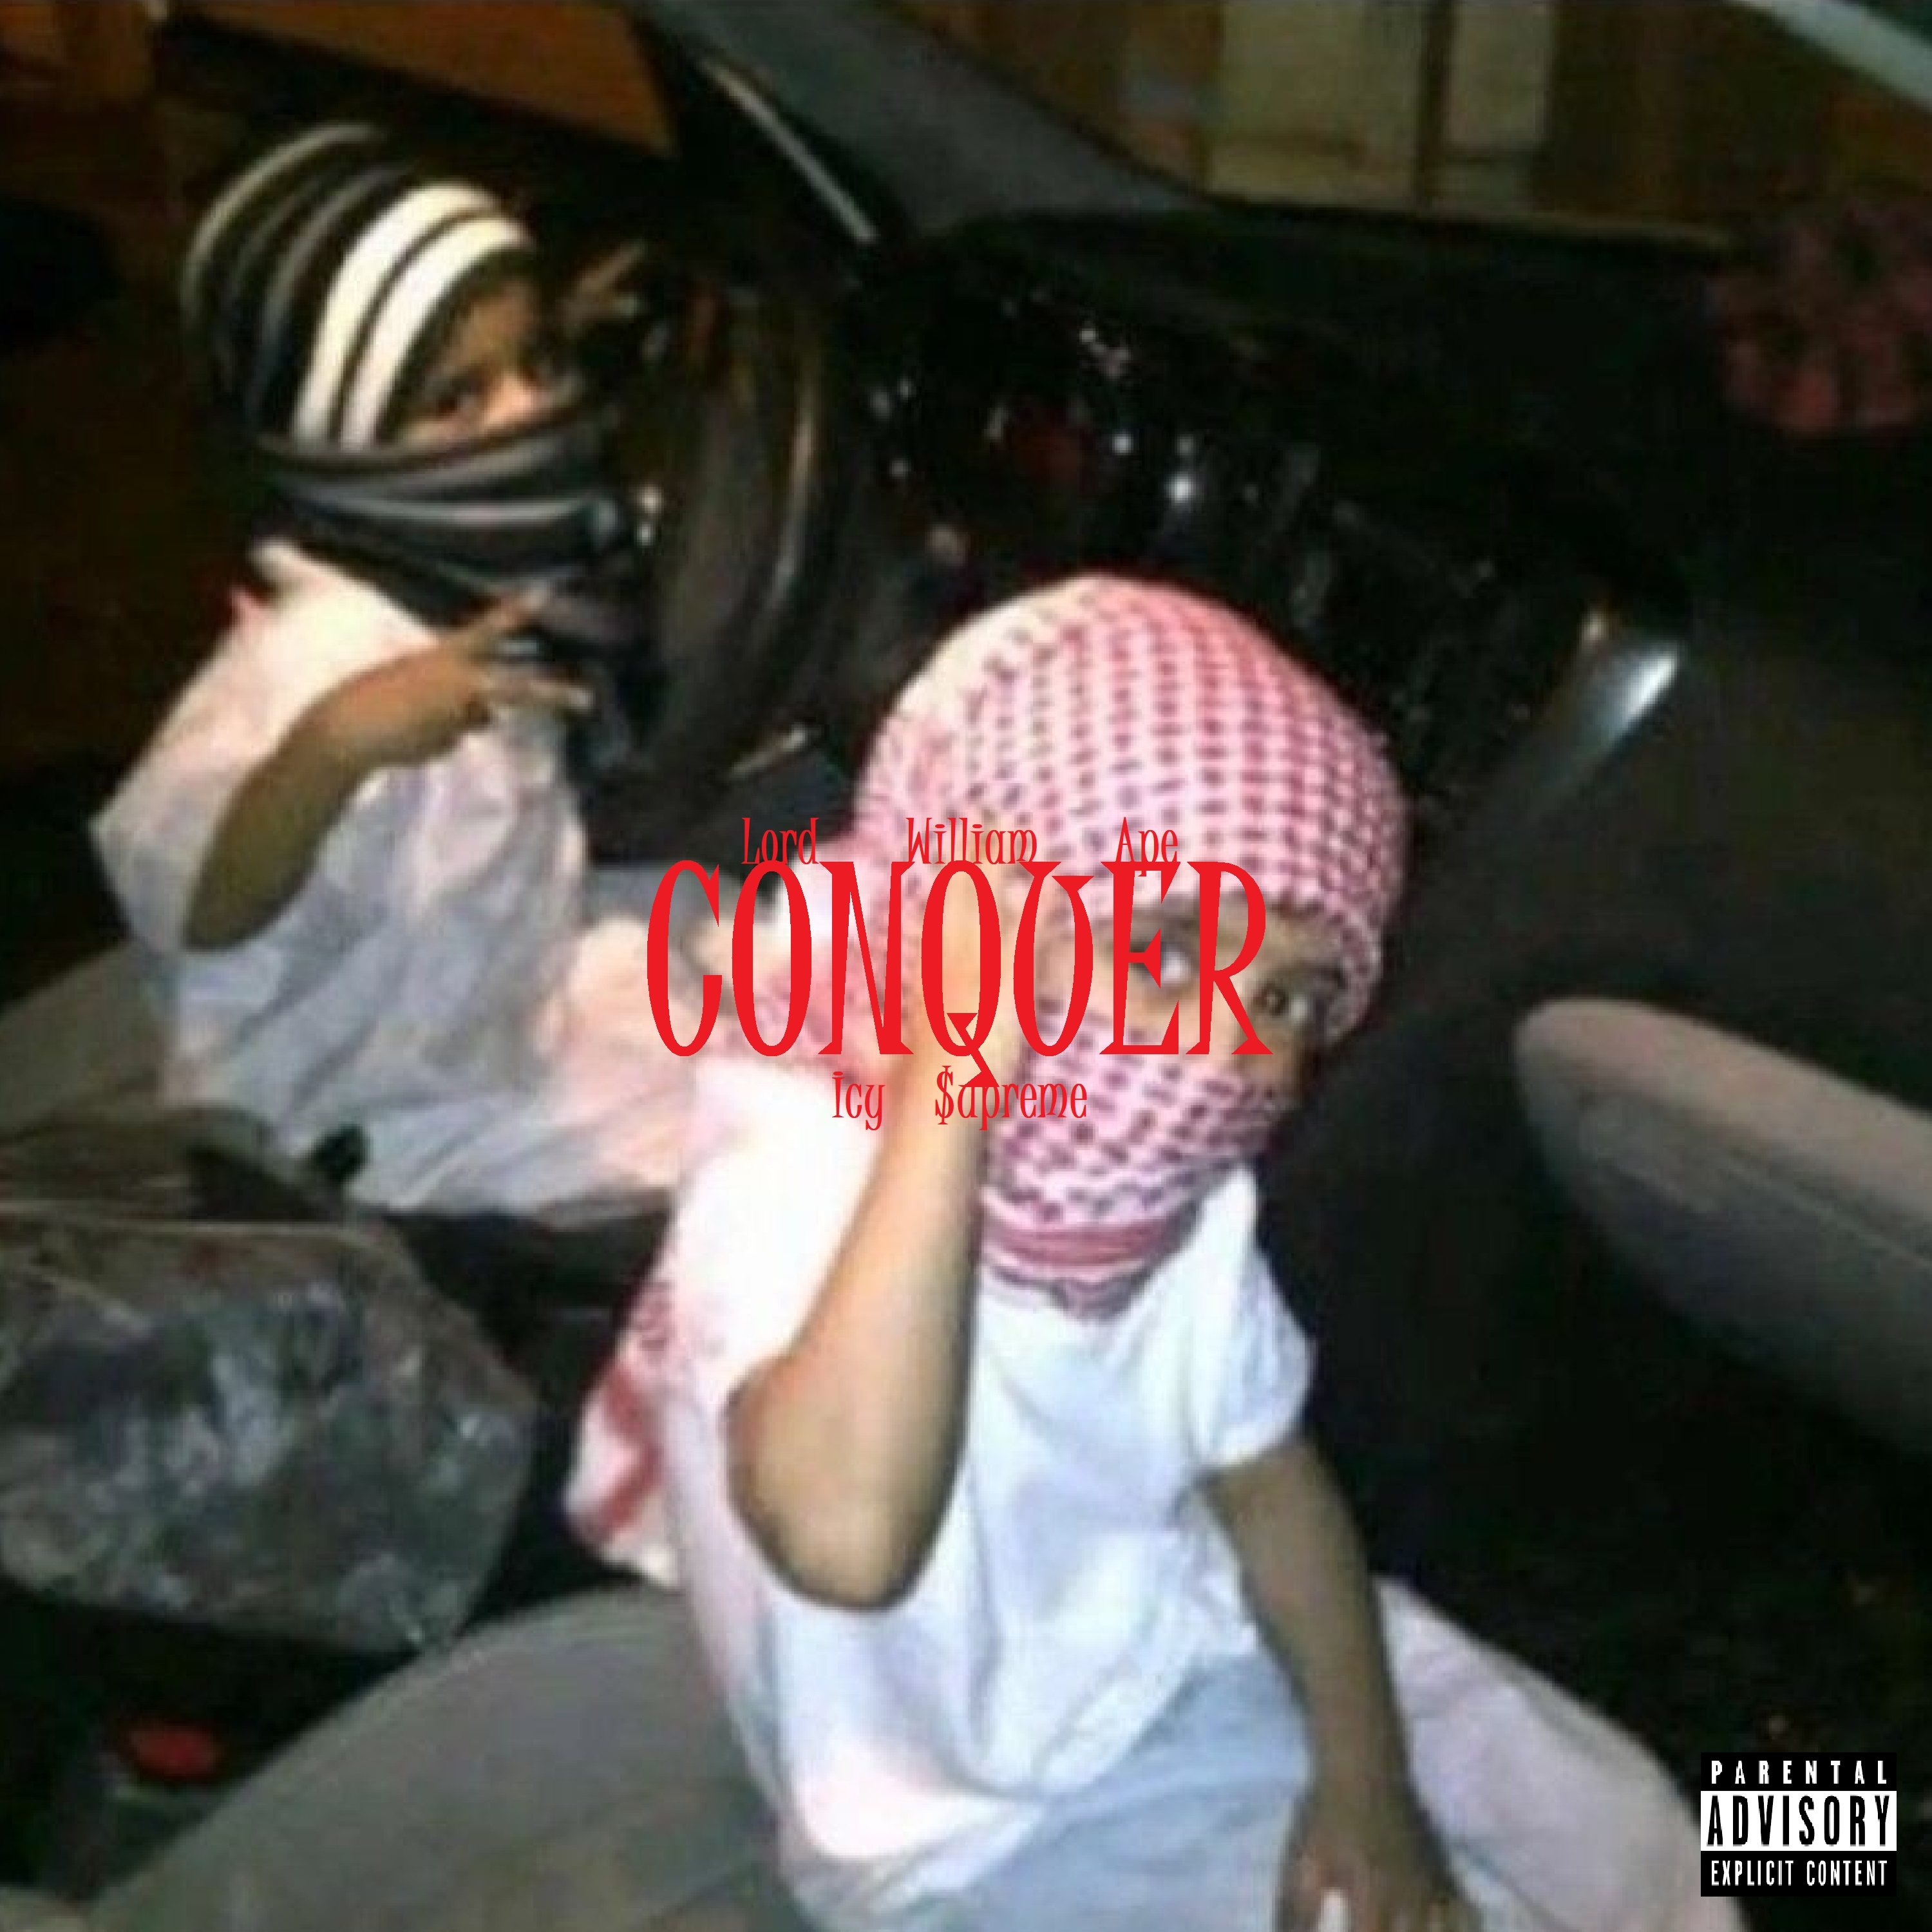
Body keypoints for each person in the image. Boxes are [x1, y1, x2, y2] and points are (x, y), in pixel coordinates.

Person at [570, 578, 1738, 1932]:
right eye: (1170, 952)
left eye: (1291, 996)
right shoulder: (804, 1169)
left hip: (1186, 1639)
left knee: (1646, 1820)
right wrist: (959, 1074)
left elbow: (1270, 1487)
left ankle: (1845, 1858)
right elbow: (848, 1535)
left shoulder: (1180, 1213)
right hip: (975, 1830)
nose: (1240, 1055)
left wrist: (1368, 1782)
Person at [92, 124, 701, 1215]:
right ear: (342, 439)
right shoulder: (318, 655)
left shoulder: (445, 568)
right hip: (379, 1118)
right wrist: (334, 747)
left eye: (537, 367)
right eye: (459, 398)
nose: (528, 414)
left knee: (796, 939)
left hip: (508, 994)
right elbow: (196, 904)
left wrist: (567, 332)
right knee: (793, 1114)